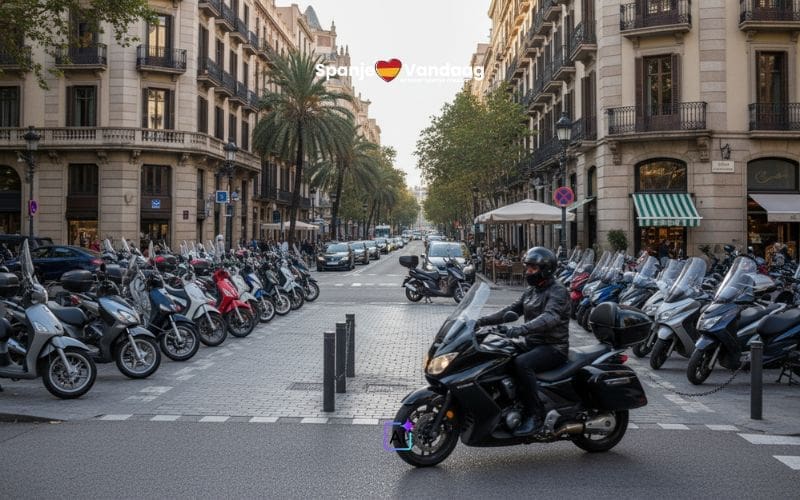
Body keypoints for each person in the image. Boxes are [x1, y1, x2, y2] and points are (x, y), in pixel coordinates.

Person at [476, 247, 570, 436]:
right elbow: (511, 310)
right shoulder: (532, 290)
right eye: (527, 267)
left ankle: (534, 415)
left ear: (546, 269)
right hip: (532, 343)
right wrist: (480, 321)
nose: (527, 271)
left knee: (522, 363)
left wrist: (519, 329)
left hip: (553, 347)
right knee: (498, 353)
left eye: (532, 268)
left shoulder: (558, 291)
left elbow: (550, 317)